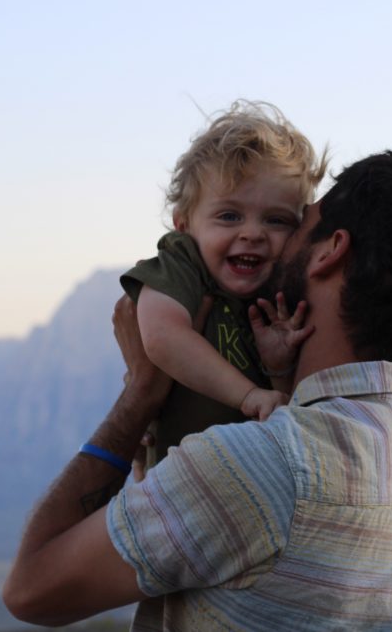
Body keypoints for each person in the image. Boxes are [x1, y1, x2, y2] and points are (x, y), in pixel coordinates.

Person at [3, 150, 392, 631]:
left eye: (296, 223)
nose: (266, 241)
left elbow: (31, 591)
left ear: (330, 251)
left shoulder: (258, 468)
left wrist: (141, 392)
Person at [121, 100, 326, 470]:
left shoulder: (281, 290)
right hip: (176, 487)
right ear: (184, 224)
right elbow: (162, 336)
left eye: (277, 220)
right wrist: (248, 395)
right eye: (229, 216)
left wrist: (278, 370)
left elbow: (281, 411)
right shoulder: (183, 264)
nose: (252, 234)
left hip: (249, 484)